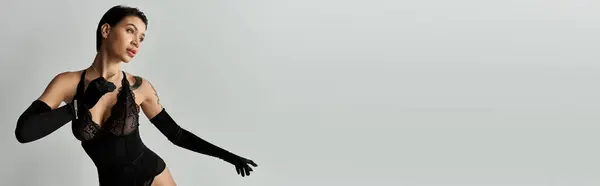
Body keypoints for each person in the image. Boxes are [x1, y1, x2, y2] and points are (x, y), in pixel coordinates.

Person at [14, 5, 257, 186]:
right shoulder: (68, 83)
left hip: (154, 177)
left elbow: (177, 134)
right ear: (106, 30)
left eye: (141, 38)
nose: (136, 42)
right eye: (130, 31)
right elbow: (24, 133)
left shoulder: (140, 87)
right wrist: (78, 107)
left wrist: (227, 156)